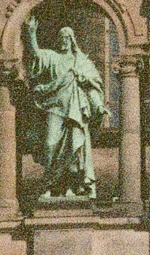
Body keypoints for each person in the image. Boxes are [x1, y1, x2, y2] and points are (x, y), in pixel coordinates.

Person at [23, 19, 110, 200]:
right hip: (55, 108)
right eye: (61, 37)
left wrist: (99, 106)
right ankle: (51, 183)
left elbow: (92, 87)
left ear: (72, 40)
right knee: (50, 144)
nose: (63, 40)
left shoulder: (81, 62)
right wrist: (31, 34)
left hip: (75, 112)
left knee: (74, 149)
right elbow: (36, 54)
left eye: (67, 37)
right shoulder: (52, 57)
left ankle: (71, 185)